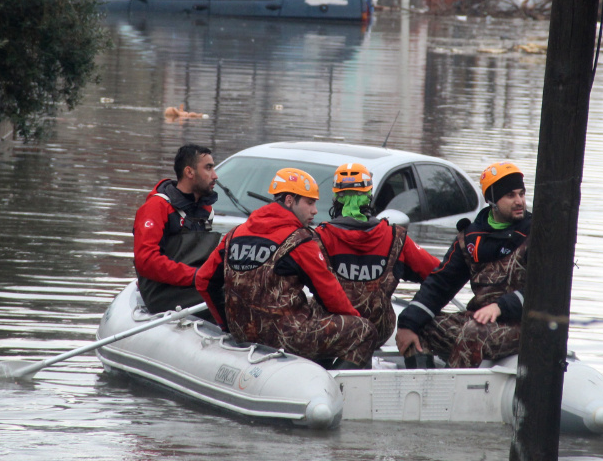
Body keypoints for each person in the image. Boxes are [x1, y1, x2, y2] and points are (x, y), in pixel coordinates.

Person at [196, 167, 377, 368]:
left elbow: (203, 280)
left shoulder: (235, 234)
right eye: (309, 202)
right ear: (290, 201)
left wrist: (227, 326)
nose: (315, 210)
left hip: (242, 333)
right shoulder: (299, 240)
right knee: (364, 330)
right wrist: (355, 320)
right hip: (285, 338)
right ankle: (333, 386)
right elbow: (331, 296)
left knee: (313, 306)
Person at [394, 161, 531, 367]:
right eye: (510, 195)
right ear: (492, 200)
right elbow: (441, 282)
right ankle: (423, 385)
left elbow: (546, 290)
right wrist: (408, 322)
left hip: (523, 325)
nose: (519, 201)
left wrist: (501, 306)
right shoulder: (470, 237)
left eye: (522, 193)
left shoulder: (536, 233)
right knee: (419, 326)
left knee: (473, 331)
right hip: (479, 320)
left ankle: (451, 392)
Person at [315, 162, 439, 346]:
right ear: (369, 196)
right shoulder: (395, 237)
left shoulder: (319, 237)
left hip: (332, 329)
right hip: (379, 330)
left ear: (336, 197)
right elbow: (438, 273)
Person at [132, 144, 220, 315]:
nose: (215, 175)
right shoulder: (156, 207)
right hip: (160, 293)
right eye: (208, 168)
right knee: (225, 297)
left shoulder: (206, 210)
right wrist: (196, 276)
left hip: (189, 286)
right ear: (189, 172)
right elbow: (146, 261)